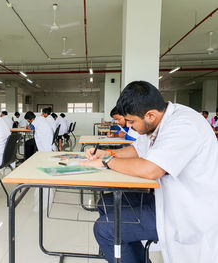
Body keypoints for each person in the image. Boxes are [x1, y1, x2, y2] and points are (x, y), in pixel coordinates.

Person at [80, 81, 218, 263]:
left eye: (130, 121)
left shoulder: (183, 125)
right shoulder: (159, 122)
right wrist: (107, 152)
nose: (128, 126)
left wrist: (106, 161)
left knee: (104, 228)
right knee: (107, 202)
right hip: (167, 198)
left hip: (188, 212)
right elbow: (137, 150)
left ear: (150, 115)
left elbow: (151, 169)